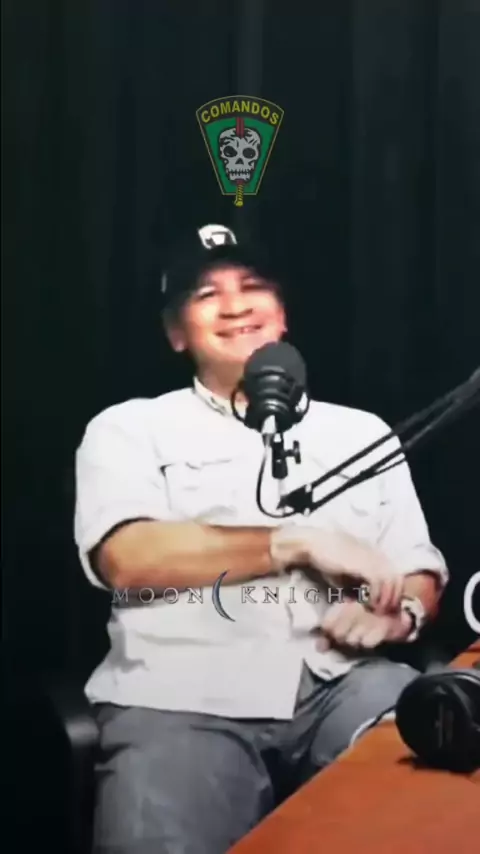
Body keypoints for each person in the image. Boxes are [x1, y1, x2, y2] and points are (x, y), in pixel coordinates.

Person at [74, 223, 449, 854]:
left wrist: (398, 613)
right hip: (181, 699)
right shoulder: (129, 429)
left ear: (282, 313)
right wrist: (293, 541)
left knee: (438, 807)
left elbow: (420, 568)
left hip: (346, 686)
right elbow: (128, 557)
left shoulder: (362, 433)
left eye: (252, 287)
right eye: (206, 295)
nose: (235, 306)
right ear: (175, 333)